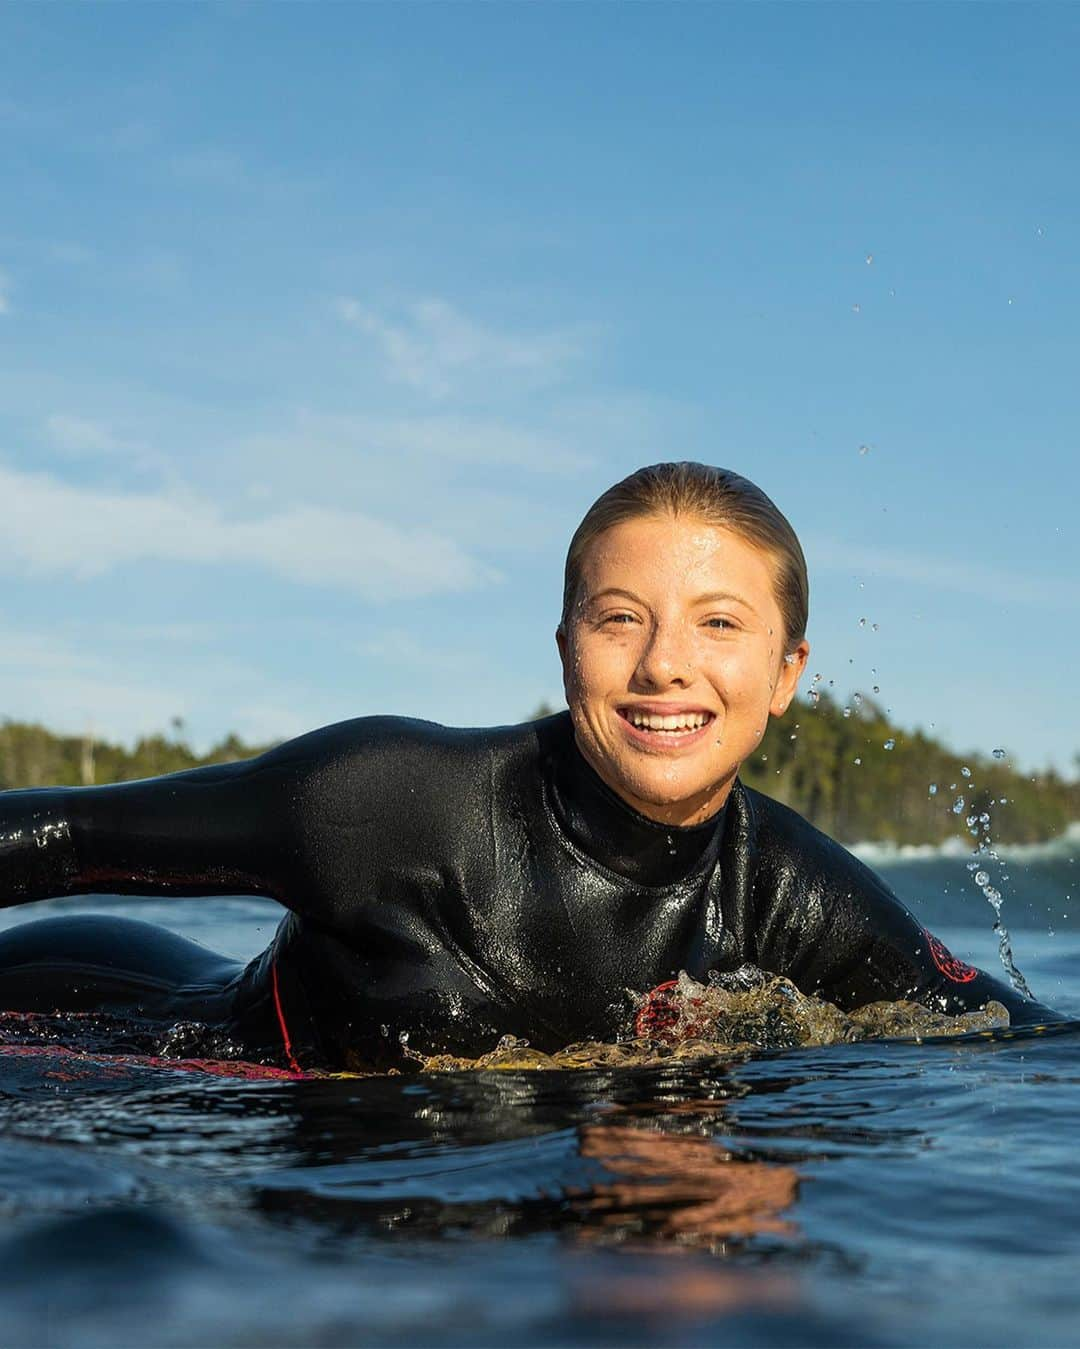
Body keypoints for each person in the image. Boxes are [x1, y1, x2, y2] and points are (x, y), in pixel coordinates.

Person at [0, 463, 1061, 1071]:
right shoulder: (387, 804)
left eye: (719, 623)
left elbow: (1029, 1049)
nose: (664, 666)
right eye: (620, 619)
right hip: (89, 1036)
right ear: (566, 651)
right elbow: (59, 835)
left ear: (786, 672)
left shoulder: (798, 899)